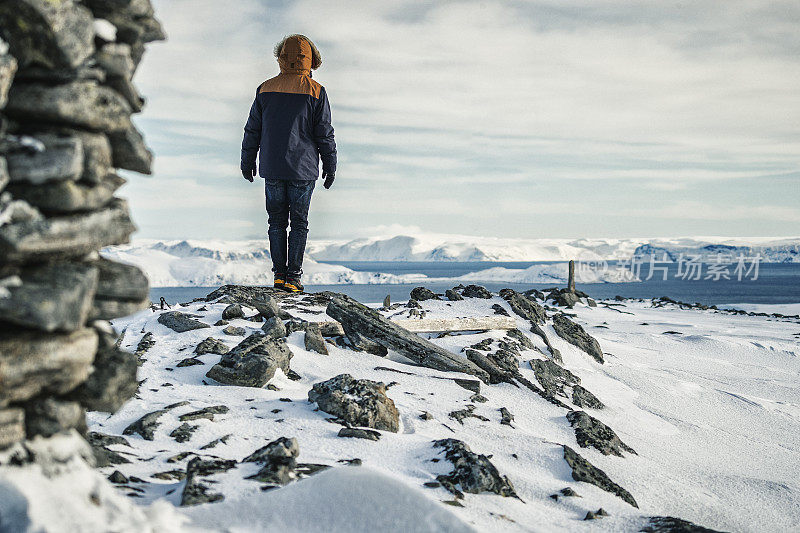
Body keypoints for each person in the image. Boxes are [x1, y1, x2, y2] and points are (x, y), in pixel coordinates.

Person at [240, 34, 337, 293]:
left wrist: (247, 159)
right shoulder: (317, 92)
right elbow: (324, 132)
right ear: (311, 59)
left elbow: (252, 130)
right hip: (303, 169)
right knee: (299, 223)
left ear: (281, 57)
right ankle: (293, 278)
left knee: (276, 222)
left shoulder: (265, 89)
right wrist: (330, 162)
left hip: (271, 166)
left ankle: (279, 276)